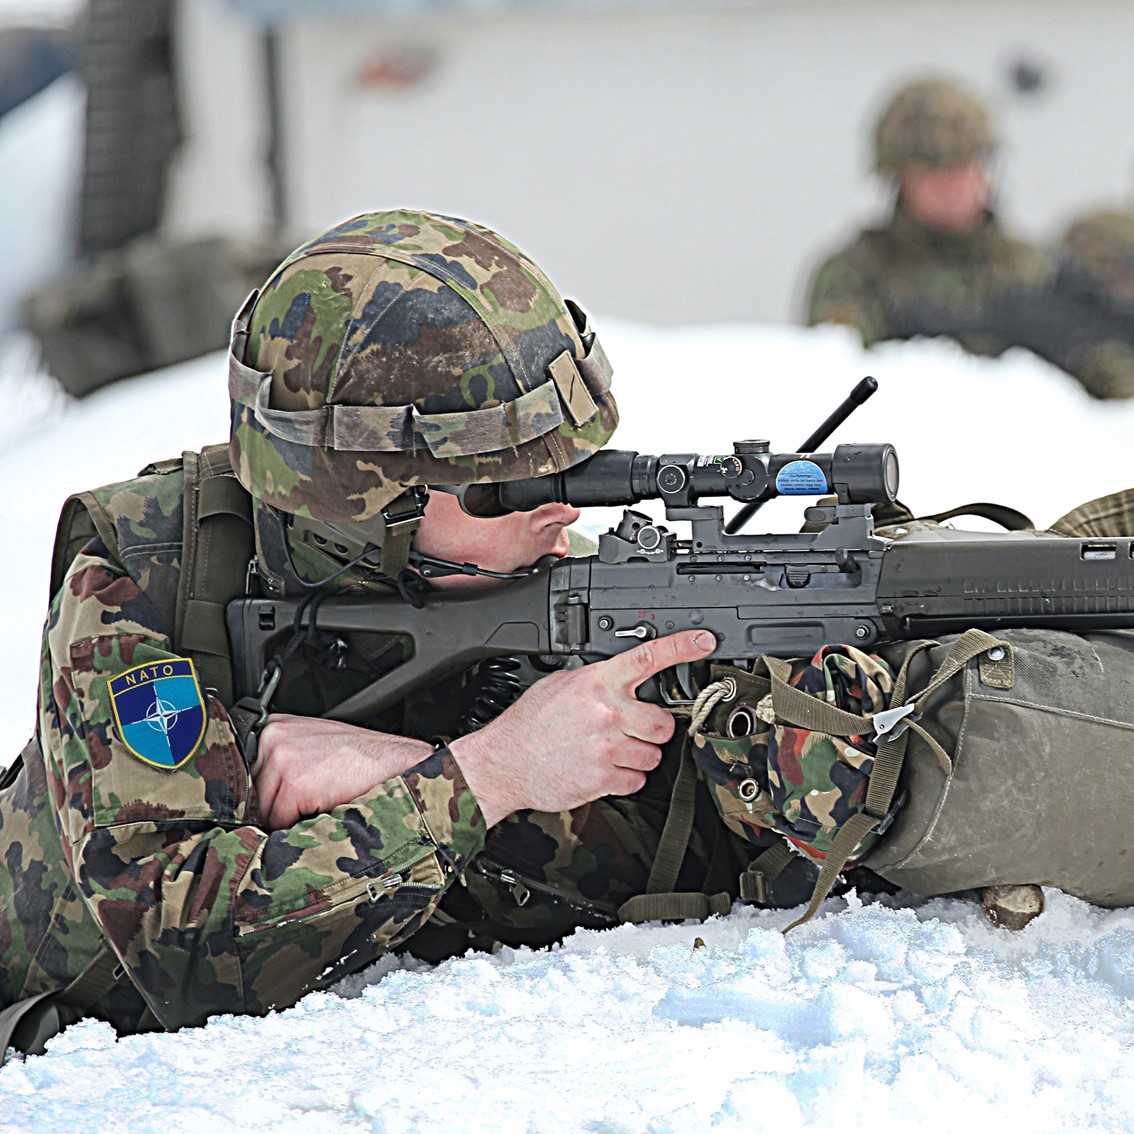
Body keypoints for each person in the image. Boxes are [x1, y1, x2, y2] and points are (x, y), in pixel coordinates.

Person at [0, 209, 782, 1060]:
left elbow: (680, 856)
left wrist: (396, 774)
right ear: (368, 509)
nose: (564, 509)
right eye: (506, 489)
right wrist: (485, 776)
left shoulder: (530, 578)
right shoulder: (145, 584)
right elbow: (186, 948)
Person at [804, 75, 1049, 356]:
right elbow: (838, 362)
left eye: (962, 167)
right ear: (899, 178)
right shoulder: (854, 275)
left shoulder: (1038, 273)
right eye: (931, 171)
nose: (951, 185)